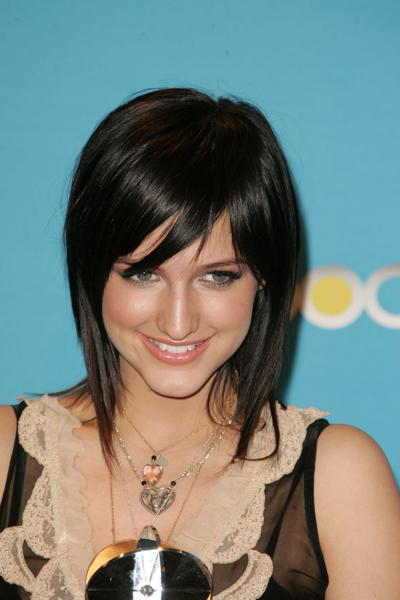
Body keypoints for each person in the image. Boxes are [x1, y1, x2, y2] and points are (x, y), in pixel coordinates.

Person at [0, 87, 399, 600]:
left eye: (217, 276)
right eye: (144, 274)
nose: (178, 321)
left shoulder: (338, 477)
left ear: (264, 279)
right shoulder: (6, 450)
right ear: (93, 272)